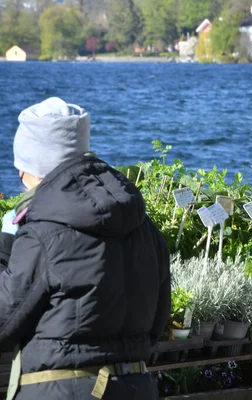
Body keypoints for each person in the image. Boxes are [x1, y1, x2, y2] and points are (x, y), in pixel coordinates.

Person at [0, 97, 171, 400]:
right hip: (136, 386)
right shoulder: (145, 227)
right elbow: (157, 323)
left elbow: (4, 321)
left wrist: (5, 244)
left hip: (60, 390)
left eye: (21, 170)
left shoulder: (41, 232)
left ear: (35, 169)